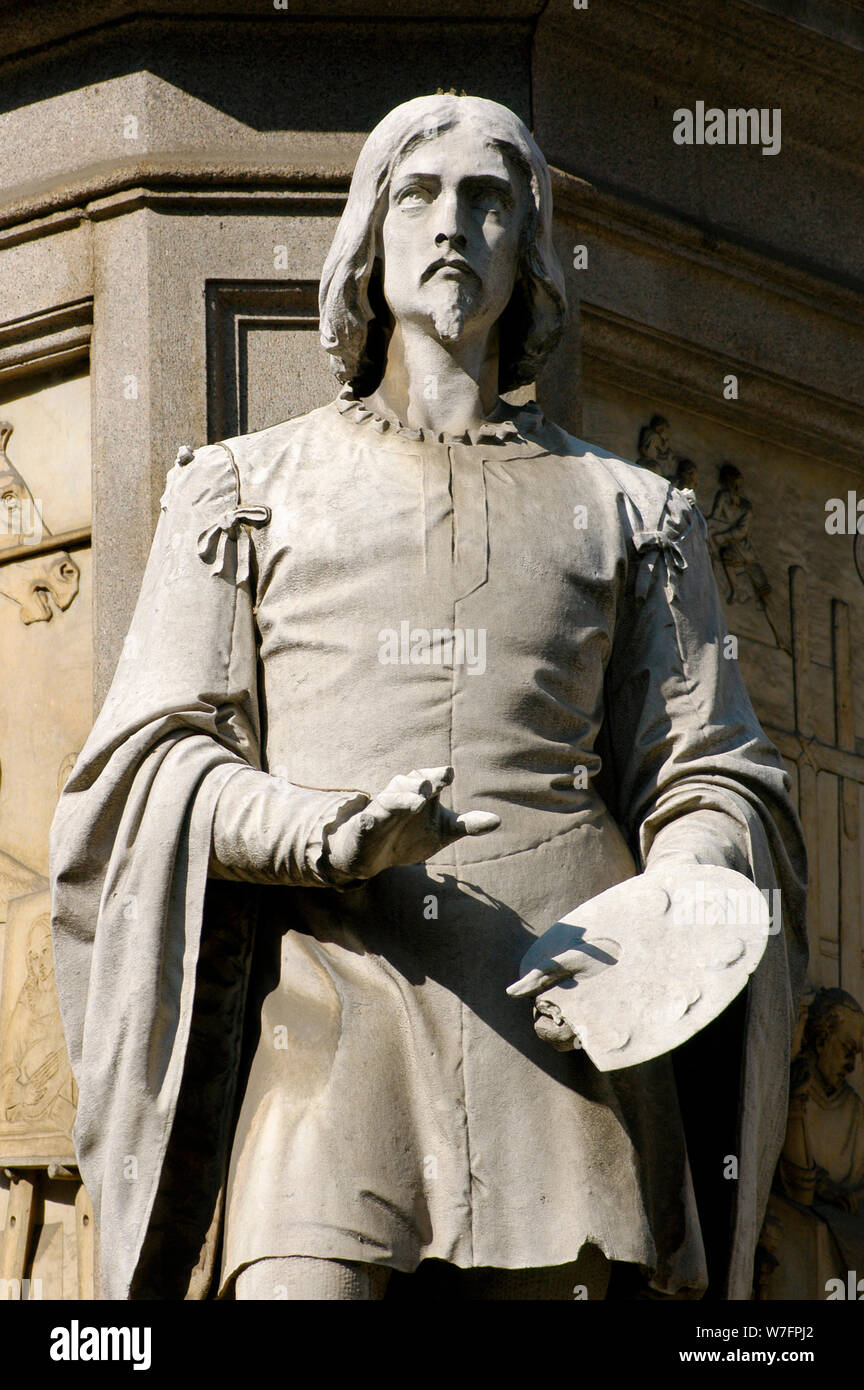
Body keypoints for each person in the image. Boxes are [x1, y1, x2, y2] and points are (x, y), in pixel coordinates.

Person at [50, 93, 807, 1302]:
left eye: (490, 198)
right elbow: (153, 772)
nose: (454, 222)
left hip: (568, 1040)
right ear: (370, 232)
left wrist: (671, 901)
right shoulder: (242, 492)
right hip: (335, 1012)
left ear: (531, 250)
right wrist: (327, 830)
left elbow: (710, 773)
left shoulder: (633, 514)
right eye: (420, 193)